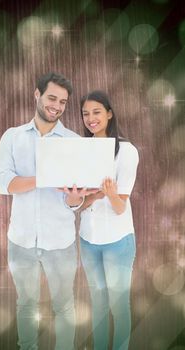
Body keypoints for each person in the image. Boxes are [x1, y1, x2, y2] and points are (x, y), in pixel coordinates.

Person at [0, 72, 93, 350]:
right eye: (52, 98)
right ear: (37, 95)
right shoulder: (12, 137)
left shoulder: (74, 142)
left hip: (60, 241)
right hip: (21, 240)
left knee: (64, 305)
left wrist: (75, 199)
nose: (57, 106)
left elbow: (74, 203)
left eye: (63, 102)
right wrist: (44, 177)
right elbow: (3, 184)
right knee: (25, 303)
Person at [78, 91, 139, 350]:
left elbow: (119, 207)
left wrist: (108, 193)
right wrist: (94, 195)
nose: (91, 119)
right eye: (85, 113)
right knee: (98, 304)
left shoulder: (126, 151)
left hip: (117, 241)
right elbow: (78, 204)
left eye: (97, 112)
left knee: (118, 305)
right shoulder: (79, 151)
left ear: (109, 113)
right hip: (88, 240)